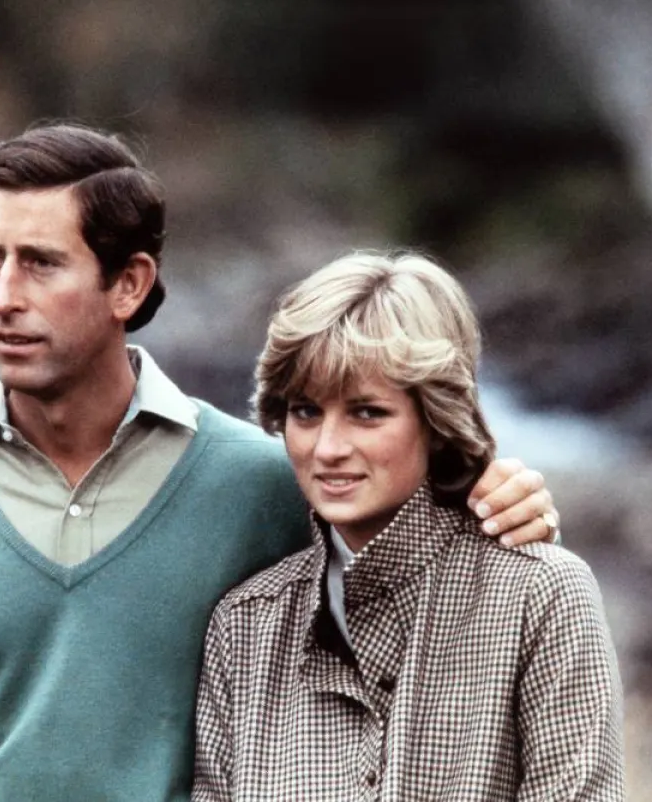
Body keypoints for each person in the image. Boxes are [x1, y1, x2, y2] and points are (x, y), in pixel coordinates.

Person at [0, 124, 561, 801]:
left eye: (41, 264)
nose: (4, 298)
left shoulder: (266, 483)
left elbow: (415, 570)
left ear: (130, 283)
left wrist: (488, 493)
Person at [192, 251, 624, 800]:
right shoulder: (245, 627)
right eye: (305, 411)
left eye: (367, 412)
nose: (327, 449)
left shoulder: (542, 595)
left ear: (437, 419)